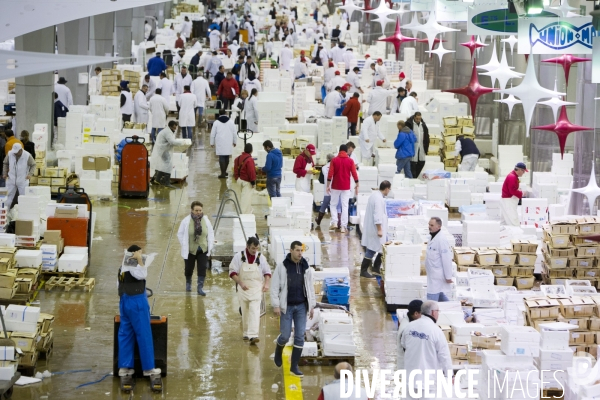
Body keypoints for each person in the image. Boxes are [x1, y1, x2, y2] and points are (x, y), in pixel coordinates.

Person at [271, 240, 316, 377]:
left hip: (301, 306)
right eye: (297, 250)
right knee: (285, 336)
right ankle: (279, 349)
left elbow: (310, 287)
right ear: (290, 251)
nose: (300, 253)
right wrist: (276, 305)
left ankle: (294, 366)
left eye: (301, 250)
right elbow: (274, 287)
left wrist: (312, 305)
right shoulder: (282, 267)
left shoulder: (306, 267)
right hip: (287, 307)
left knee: (299, 337)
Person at [117, 245, 162, 382]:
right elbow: (142, 274)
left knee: (125, 333)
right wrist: (140, 261)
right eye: (139, 253)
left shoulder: (122, 267)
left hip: (124, 301)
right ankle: (148, 368)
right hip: (137, 303)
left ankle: (124, 367)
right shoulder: (134, 266)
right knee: (143, 334)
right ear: (135, 253)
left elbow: (117, 286)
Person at [401, 300, 452, 396]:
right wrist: (450, 375)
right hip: (427, 382)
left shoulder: (409, 327)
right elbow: (444, 355)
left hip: (410, 380)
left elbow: (403, 345)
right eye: (438, 311)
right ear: (433, 312)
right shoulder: (436, 331)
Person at [230, 237, 271, 345]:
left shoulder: (260, 257)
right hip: (243, 288)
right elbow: (232, 272)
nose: (254, 251)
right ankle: (246, 333)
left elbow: (267, 272)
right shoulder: (239, 257)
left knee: (254, 310)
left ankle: (253, 335)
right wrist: (240, 283)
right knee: (245, 311)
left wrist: (266, 283)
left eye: (256, 249)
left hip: (256, 288)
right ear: (247, 246)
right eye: (253, 248)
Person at [176, 202, 215, 295]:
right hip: (190, 250)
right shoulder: (186, 221)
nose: (198, 212)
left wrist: (211, 244)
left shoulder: (206, 220)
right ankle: (188, 283)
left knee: (202, 268)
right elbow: (180, 234)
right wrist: (184, 244)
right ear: (192, 210)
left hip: (203, 249)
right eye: (196, 210)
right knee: (189, 268)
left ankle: (200, 287)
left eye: (200, 210)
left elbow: (210, 233)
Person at [359, 180, 392, 278]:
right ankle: (363, 270)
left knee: (381, 248)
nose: (389, 191)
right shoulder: (378, 199)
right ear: (386, 189)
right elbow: (377, 215)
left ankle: (376, 268)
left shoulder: (375, 196)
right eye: (389, 189)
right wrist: (379, 229)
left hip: (373, 228)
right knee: (372, 250)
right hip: (375, 229)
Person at [327, 144, 359, 233]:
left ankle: (334, 222)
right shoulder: (350, 161)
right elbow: (354, 173)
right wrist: (357, 183)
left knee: (333, 204)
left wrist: (328, 185)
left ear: (339, 151)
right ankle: (343, 227)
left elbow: (330, 174)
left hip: (335, 186)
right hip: (346, 187)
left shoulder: (334, 160)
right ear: (346, 151)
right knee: (345, 205)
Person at [151, 121, 186, 188]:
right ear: (170, 126)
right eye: (174, 128)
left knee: (165, 163)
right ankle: (166, 182)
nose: (175, 129)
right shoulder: (167, 132)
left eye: (176, 128)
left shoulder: (168, 131)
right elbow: (172, 142)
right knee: (168, 163)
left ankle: (157, 179)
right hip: (162, 149)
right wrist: (182, 142)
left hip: (163, 149)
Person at [425, 217, 453, 302]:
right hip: (432, 274)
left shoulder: (441, 240)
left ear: (439, 226)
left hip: (437, 275)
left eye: (432, 225)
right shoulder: (432, 237)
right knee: (440, 295)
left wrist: (448, 276)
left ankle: (431, 314)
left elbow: (447, 259)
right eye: (429, 224)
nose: (429, 227)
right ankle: (451, 308)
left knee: (431, 301)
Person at [209, 109, 238, 178]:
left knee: (221, 156)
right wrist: (234, 141)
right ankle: (224, 172)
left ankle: (223, 173)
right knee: (227, 156)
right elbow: (234, 133)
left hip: (220, 141)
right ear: (225, 113)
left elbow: (213, 134)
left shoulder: (216, 122)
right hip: (228, 141)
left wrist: (212, 142)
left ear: (219, 114)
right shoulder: (231, 122)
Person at [397, 299, 423, 370]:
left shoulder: (409, 321)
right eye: (422, 313)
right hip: (408, 366)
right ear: (416, 313)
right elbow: (410, 349)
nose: (423, 316)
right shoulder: (407, 328)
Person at [233, 143, 256, 214]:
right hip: (246, 182)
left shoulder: (238, 158)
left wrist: (237, 178)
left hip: (239, 180)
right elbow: (251, 171)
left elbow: (235, 169)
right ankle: (244, 214)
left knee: (241, 197)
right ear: (251, 150)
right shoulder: (249, 160)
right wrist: (252, 182)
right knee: (246, 199)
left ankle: (246, 211)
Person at [406, 112, 429, 178]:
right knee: (413, 162)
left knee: (422, 162)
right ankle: (413, 177)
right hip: (413, 147)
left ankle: (415, 176)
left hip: (421, 146)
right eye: (417, 119)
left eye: (419, 119)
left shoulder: (423, 125)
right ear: (414, 117)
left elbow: (427, 137)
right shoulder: (409, 124)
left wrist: (426, 149)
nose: (418, 120)